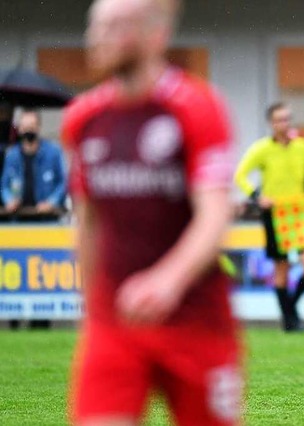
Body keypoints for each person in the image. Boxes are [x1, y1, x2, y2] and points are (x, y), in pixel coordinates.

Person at [62, 1, 241, 424]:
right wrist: (91, 306)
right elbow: (88, 223)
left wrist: (168, 280)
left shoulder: (196, 107)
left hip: (197, 322)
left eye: (116, 27)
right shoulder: (83, 118)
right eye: (96, 26)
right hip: (115, 321)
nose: (99, 37)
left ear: (155, 35)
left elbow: (215, 213)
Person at [235, 102, 304, 332]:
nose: (284, 123)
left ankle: (290, 308)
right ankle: (290, 320)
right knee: (283, 267)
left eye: (287, 118)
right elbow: (241, 175)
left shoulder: (301, 146)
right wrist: (257, 196)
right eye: (279, 119)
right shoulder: (262, 149)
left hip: (300, 213)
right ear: (271, 123)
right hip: (275, 213)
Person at [1, 108, 67, 221]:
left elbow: (64, 182)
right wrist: (10, 200)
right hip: (18, 221)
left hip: (48, 221)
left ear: (38, 127)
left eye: (31, 127)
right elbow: (4, 186)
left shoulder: (54, 152)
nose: (28, 131)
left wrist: (51, 202)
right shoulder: (12, 155)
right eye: (25, 127)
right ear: (20, 129)